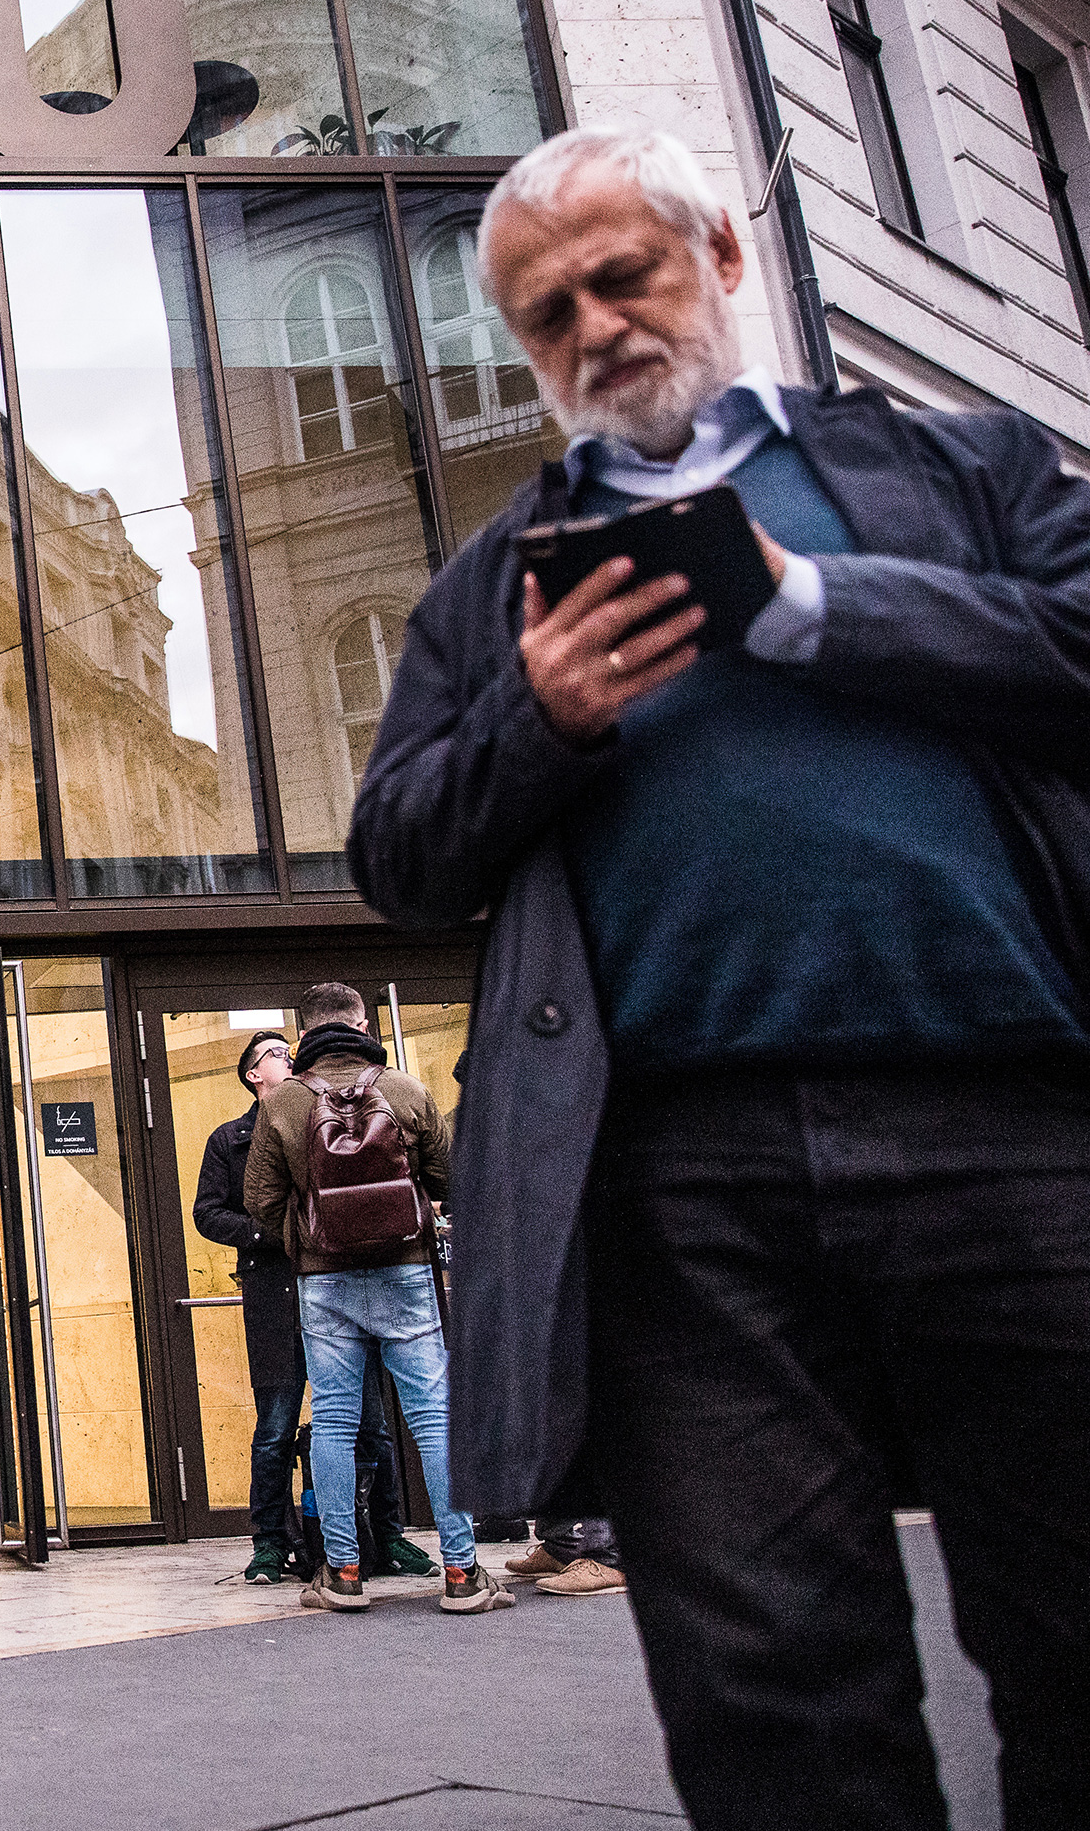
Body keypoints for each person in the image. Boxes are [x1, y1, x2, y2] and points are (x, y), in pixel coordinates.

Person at [349, 124, 1090, 1827]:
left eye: (627, 276)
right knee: (772, 1697)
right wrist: (542, 720)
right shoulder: (489, 591)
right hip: (683, 1188)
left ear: (724, 258)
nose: (597, 328)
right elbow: (401, 856)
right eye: (550, 315)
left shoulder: (949, 471)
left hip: (1020, 1129)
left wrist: (807, 599)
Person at [244, 983, 510, 1616]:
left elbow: (259, 1199)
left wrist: (309, 1235)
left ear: (301, 1033)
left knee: (334, 1420)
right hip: (405, 1272)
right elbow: (448, 1178)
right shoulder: (405, 1090)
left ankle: (342, 1573)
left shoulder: (281, 1104)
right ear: (362, 1023)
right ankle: (462, 1574)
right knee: (431, 1416)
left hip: (324, 1278)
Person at [193, 1030, 430, 1585]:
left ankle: (388, 1535)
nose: (287, 1058)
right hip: (277, 1292)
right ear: (253, 1075)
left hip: (339, 1284)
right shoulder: (230, 1139)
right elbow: (208, 1213)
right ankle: (269, 1544)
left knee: (371, 1421)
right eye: (275, 1054)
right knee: (275, 1427)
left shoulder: (334, 1121)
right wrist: (276, 1232)